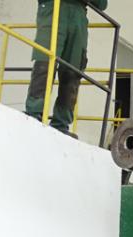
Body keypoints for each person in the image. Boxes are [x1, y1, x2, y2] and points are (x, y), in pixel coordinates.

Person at [25, 0, 108, 138]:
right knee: (45, 63)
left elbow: (102, 3)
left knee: (72, 72)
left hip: (78, 18)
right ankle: (34, 113)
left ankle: (61, 123)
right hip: (53, 7)